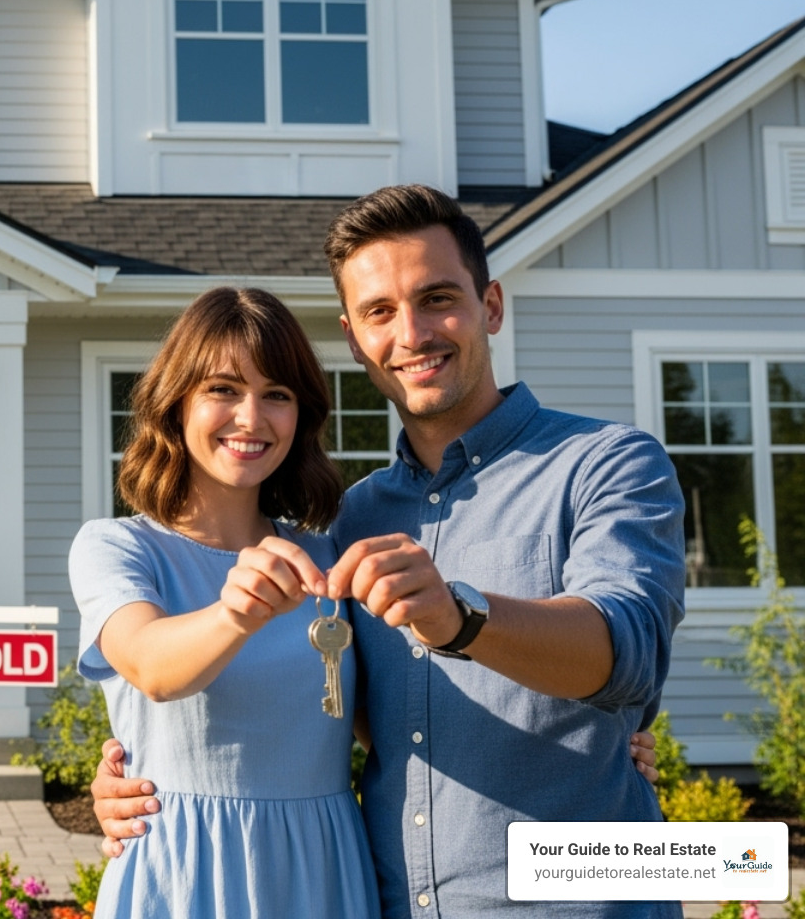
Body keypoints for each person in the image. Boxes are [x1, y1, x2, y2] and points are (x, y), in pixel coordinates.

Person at [90, 185, 686, 919]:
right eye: (379, 312)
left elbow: (626, 650)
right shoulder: (349, 522)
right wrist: (142, 766)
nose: (412, 333)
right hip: (381, 897)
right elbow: (336, 706)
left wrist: (461, 618)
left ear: (490, 306)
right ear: (354, 336)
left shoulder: (606, 462)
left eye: (437, 298)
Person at [70, 286, 380, 916]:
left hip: (322, 870)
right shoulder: (117, 548)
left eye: (277, 395)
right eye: (222, 389)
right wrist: (237, 610)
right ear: (175, 401)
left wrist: (588, 741)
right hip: (181, 875)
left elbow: (396, 723)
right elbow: (153, 668)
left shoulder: (331, 561)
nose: (251, 417)